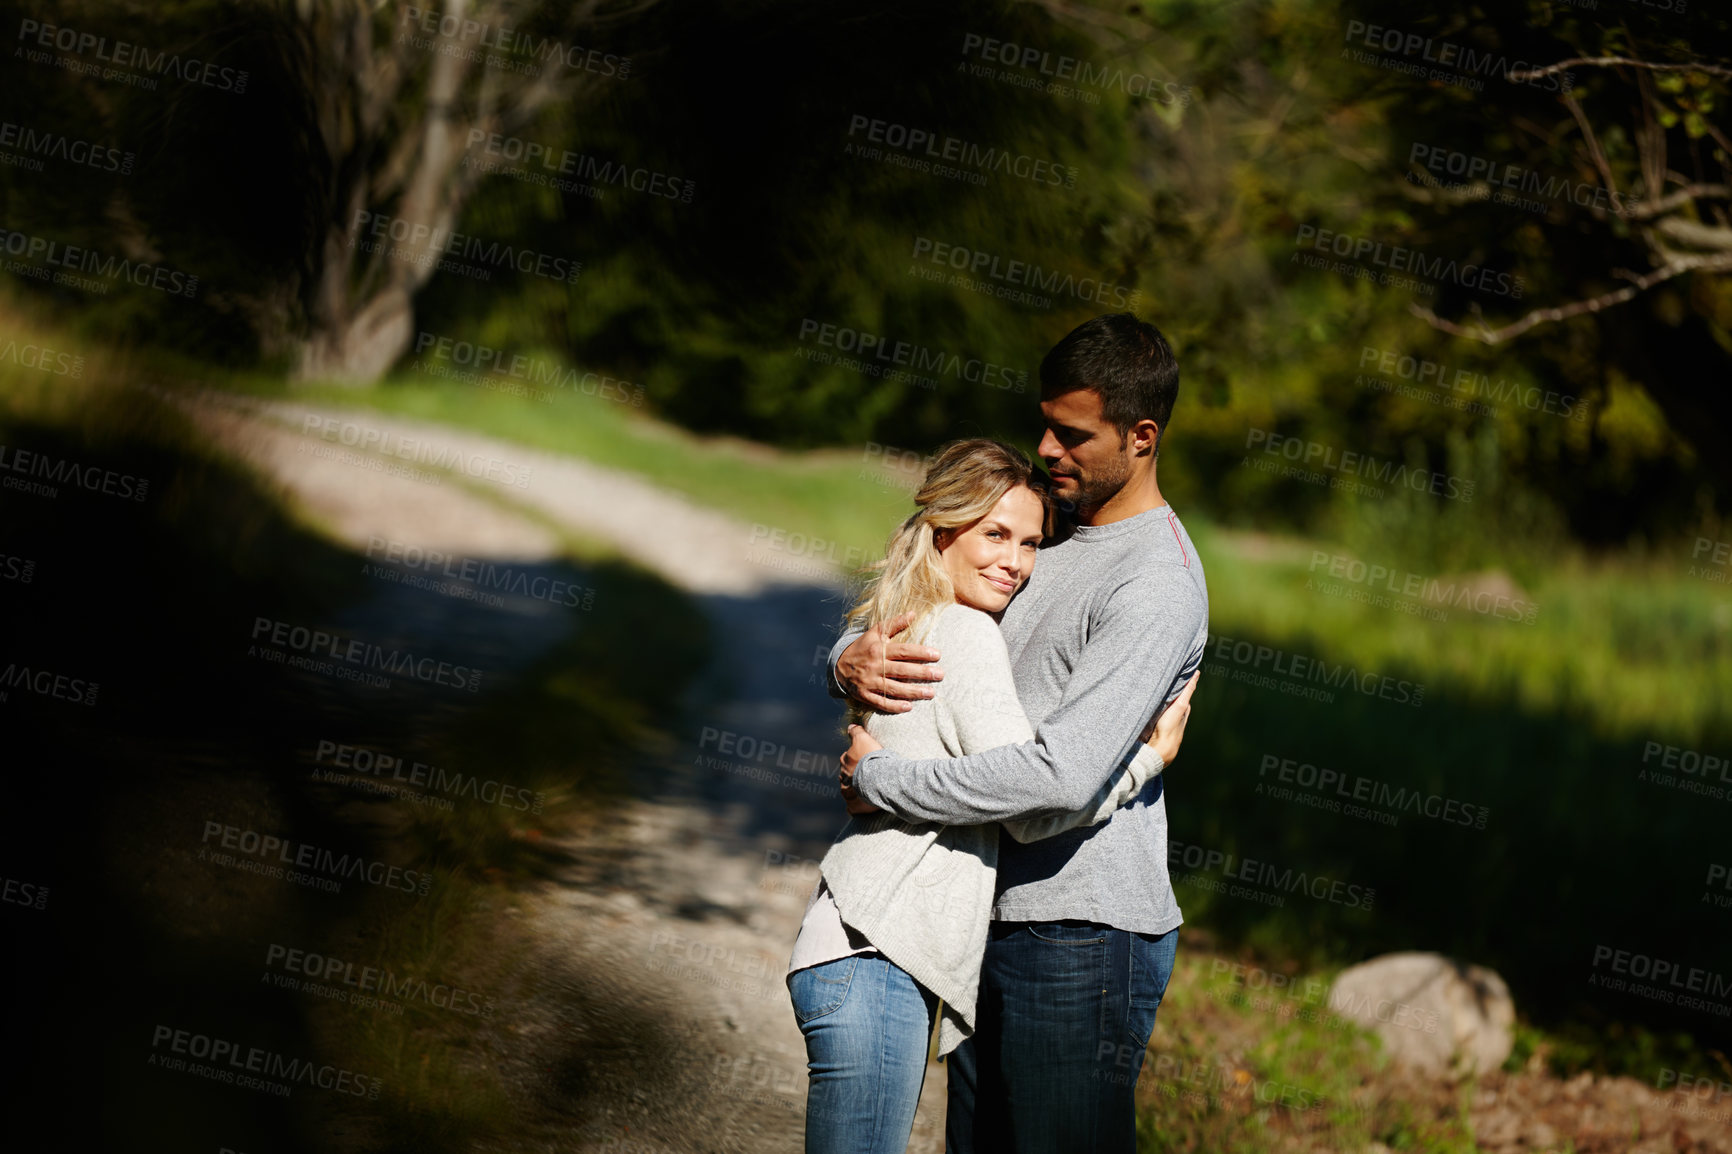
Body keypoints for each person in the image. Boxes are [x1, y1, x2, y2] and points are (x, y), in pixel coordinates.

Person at [829, 312, 1209, 1153]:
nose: (1046, 447)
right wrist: (848, 658)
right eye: (1045, 422)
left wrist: (883, 783)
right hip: (989, 910)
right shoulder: (1047, 523)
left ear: (1142, 437)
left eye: (1072, 435)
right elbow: (921, 601)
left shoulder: (1156, 585)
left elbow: (1056, 780)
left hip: (1080, 933)